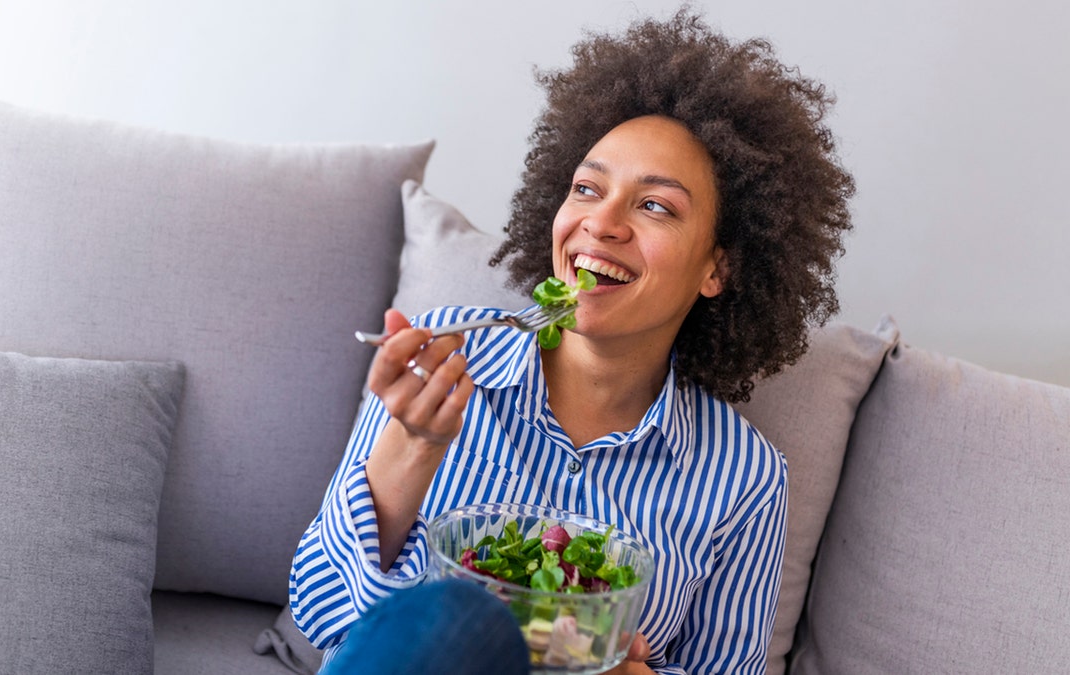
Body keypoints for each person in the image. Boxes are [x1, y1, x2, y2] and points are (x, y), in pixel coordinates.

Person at [290, 8, 854, 674]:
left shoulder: (745, 479)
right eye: (586, 188)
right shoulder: (442, 362)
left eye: (655, 206)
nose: (601, 222)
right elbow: (321, 610)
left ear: (717, 268)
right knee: (462, 615)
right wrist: (413, 444)